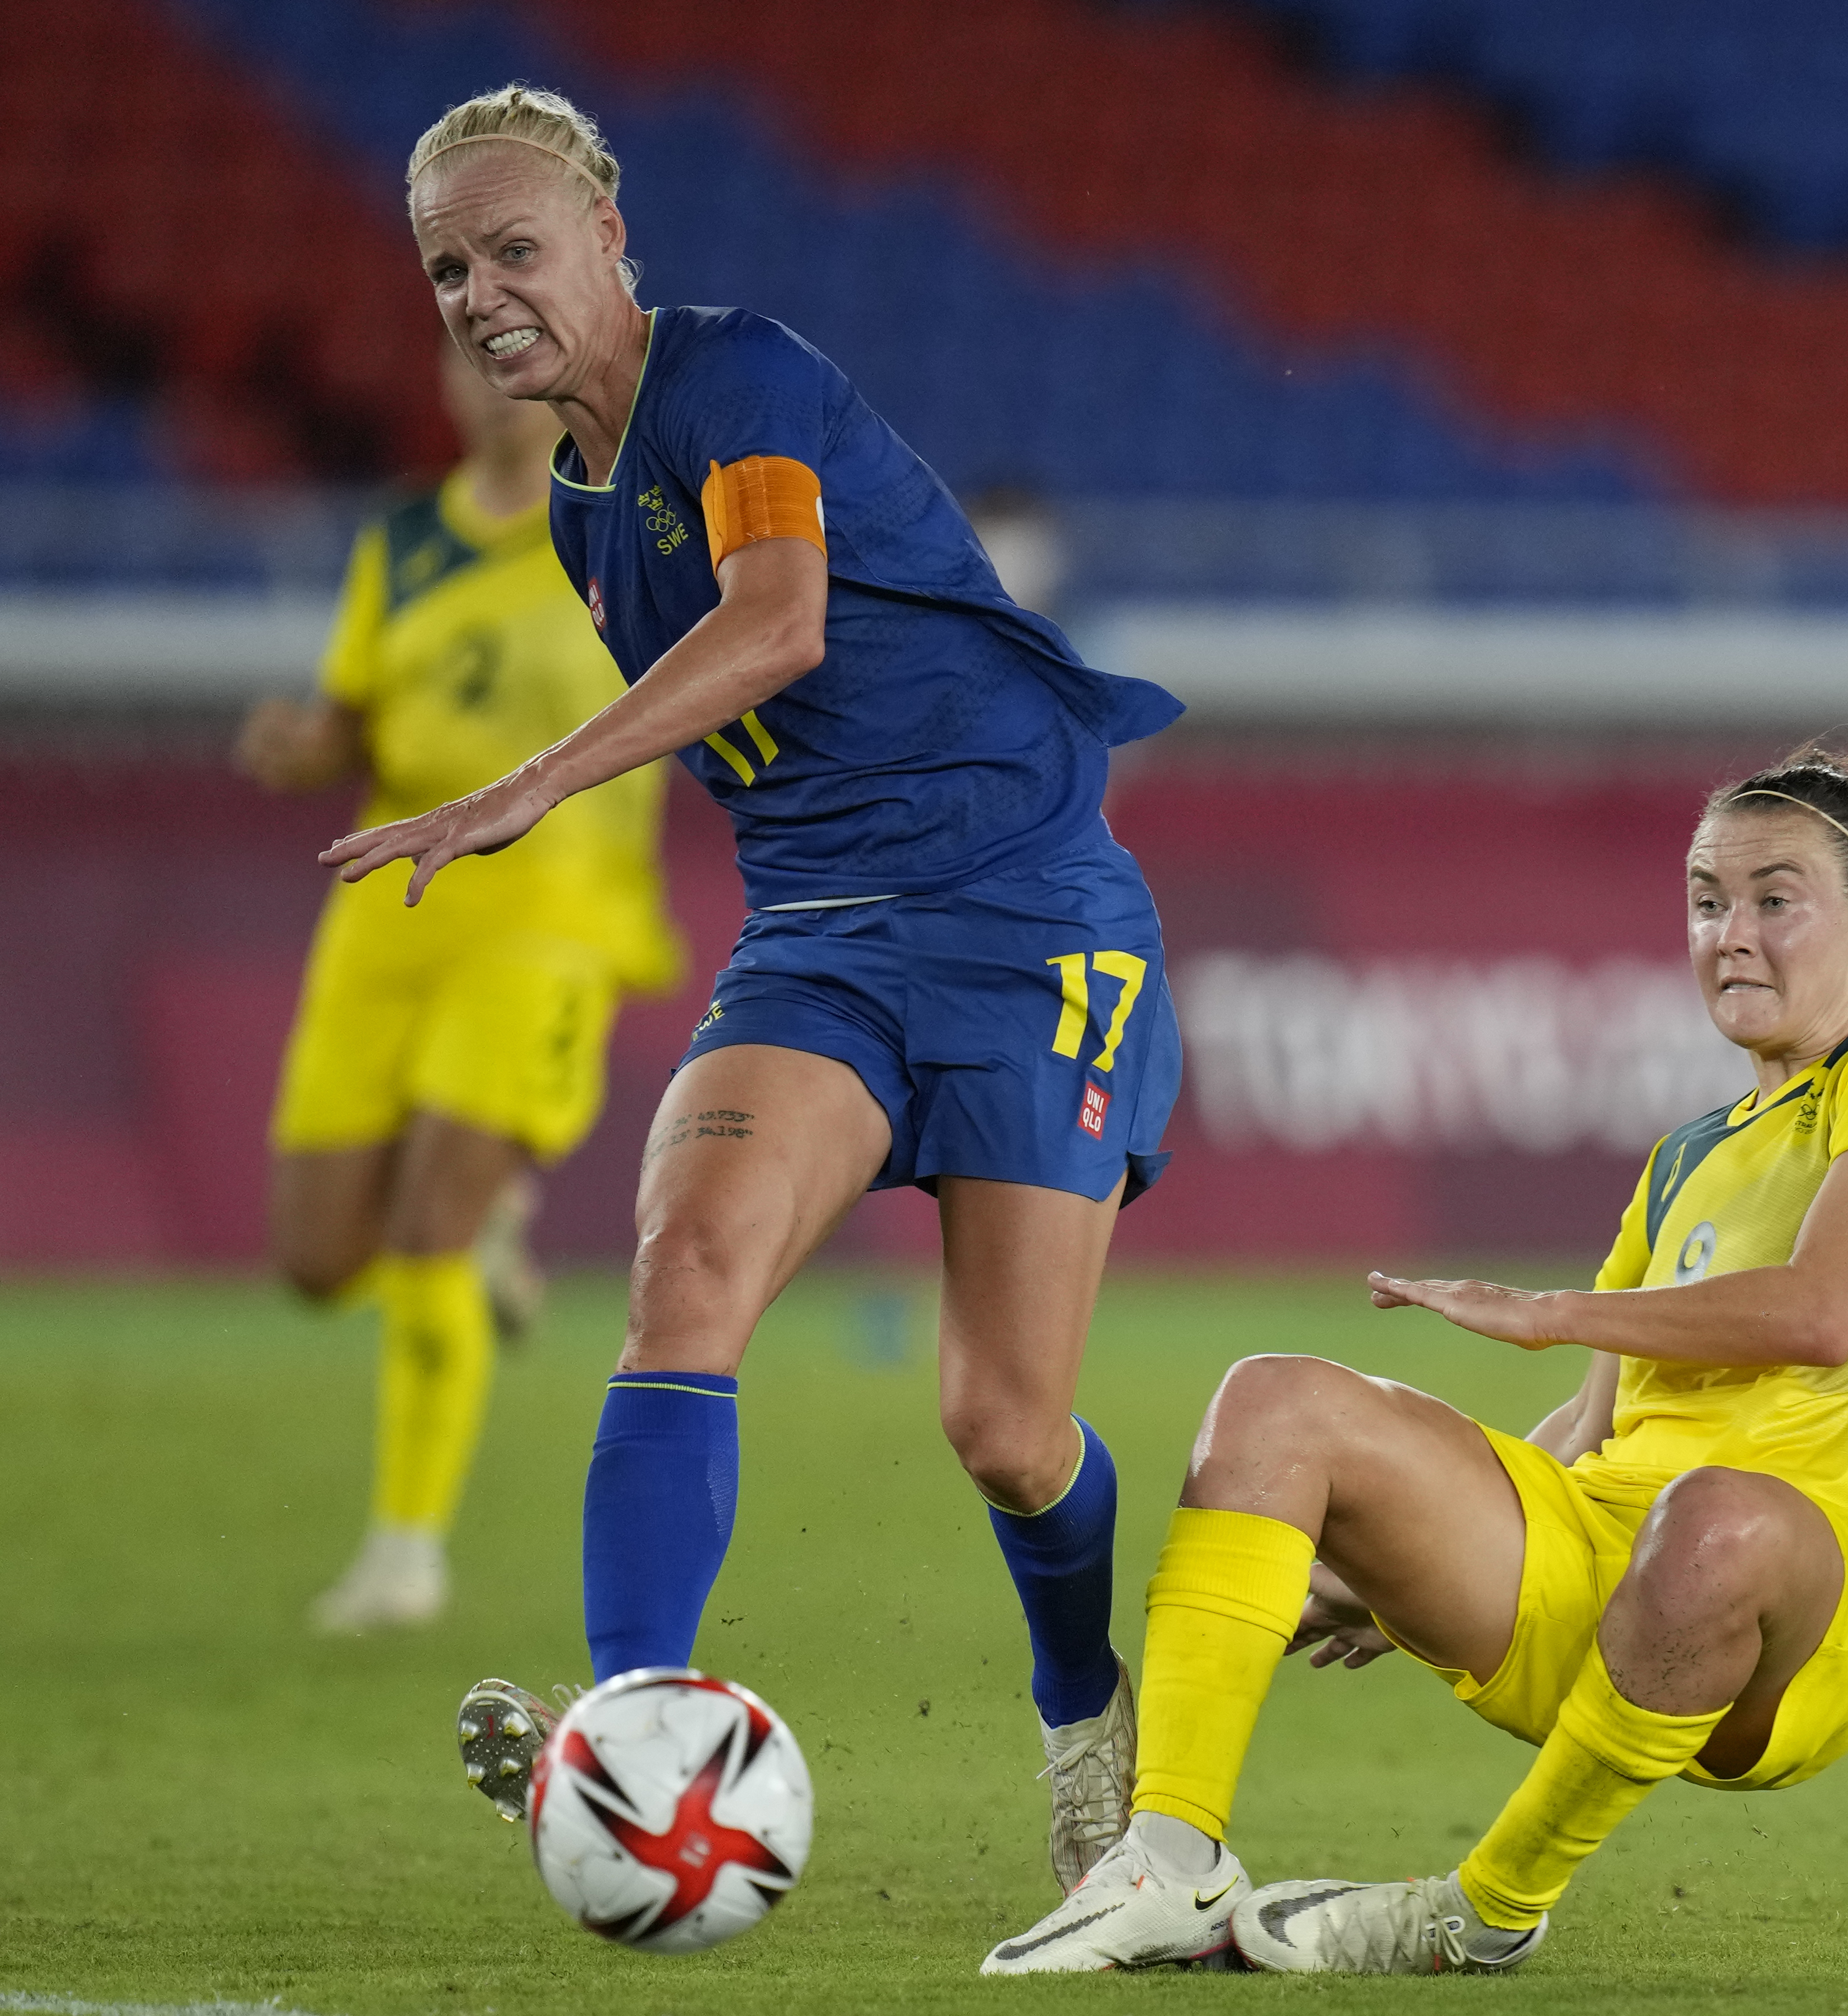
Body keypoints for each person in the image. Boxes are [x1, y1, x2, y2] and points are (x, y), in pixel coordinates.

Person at [321, 86, 1186, 1887]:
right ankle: (635, 1724)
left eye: (516, 248)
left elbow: (781, 615)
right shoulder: (576, 505)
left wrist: (529, 783)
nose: (480, 293)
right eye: (447, 269)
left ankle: (1086, 1702)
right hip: (822, 935)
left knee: (1007, 1426)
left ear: (613, 237)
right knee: (685, 1270)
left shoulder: (738, 381)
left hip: (1027, 914)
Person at [986, 749, 1848, 1974]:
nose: (1730, 936)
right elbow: (1591, 1431)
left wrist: (1554, 1310)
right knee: (1275, 1401)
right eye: (1703, 901)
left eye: (1773, 899)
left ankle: (1478, 1914)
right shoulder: (1684, 1158)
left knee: (1717, 1520)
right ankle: (1170, 1863)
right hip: (1603, 1563)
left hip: (1816, 1601)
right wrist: (1392, 1563)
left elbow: (1824, 1313)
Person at [241, 340, 683, 1635]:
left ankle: (404, 1550)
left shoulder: (622, 526)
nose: (487, 384)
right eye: (462, 360)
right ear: (438, 382)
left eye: (509, 361)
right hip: (390, 918)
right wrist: (304, 743)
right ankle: (480, 1255)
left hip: (551, 921)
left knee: (427, 1227)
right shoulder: (399, 543)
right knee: (319, 1261)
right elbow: (357, 715)